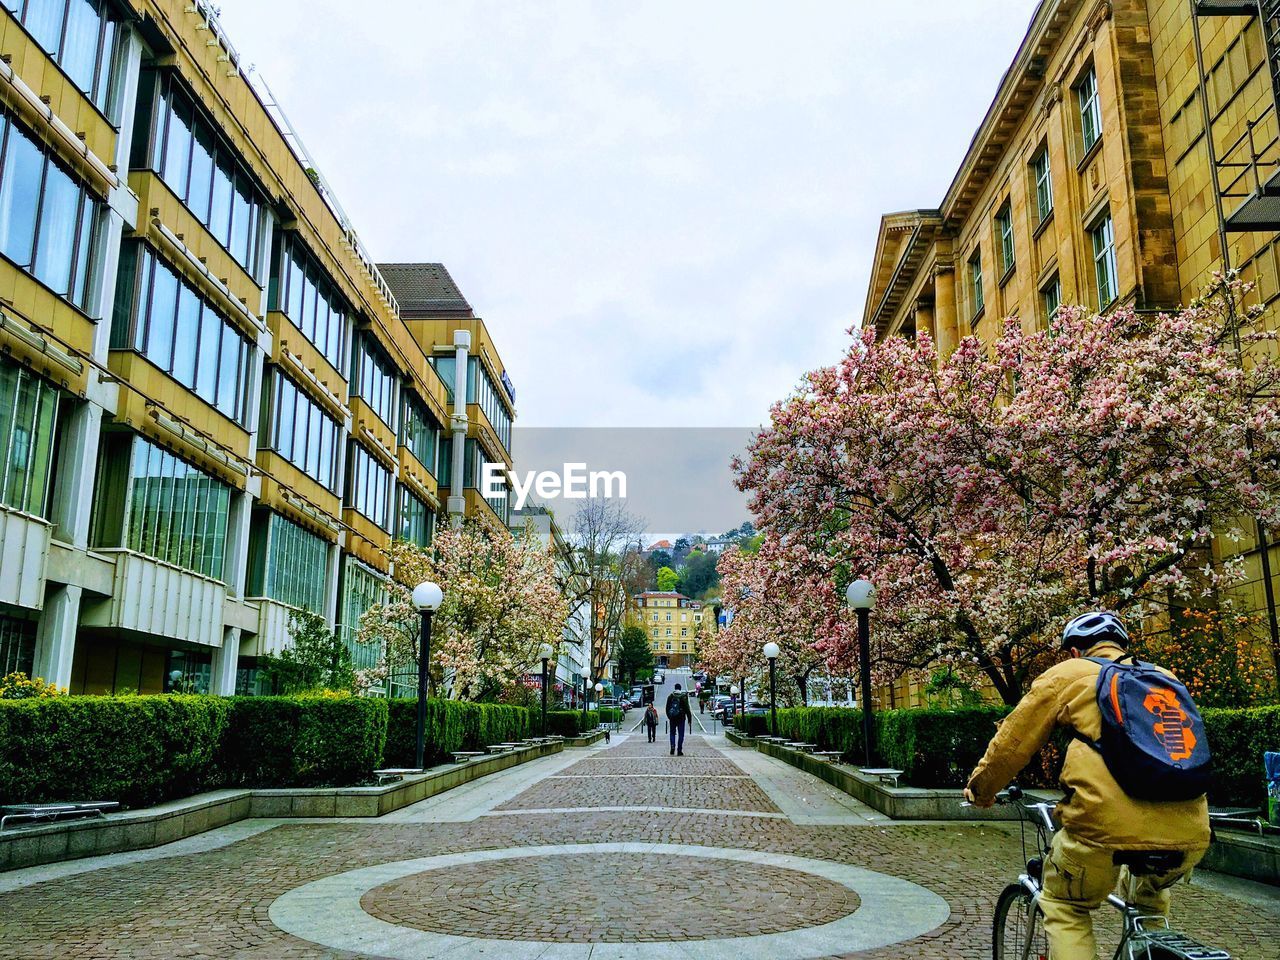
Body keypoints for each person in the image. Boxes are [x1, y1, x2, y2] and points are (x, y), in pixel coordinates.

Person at [964, 611, 1210, 960]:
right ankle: (1150, 941)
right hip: (1190, 829)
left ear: (1076, 652)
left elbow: (1012, 743)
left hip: (1103, 827)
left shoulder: (1069, 674)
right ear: (1123, 645)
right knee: (1148, 901)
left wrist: (981, 790)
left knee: (1065, 903)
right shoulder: (1162, 677)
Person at [665, 682, 693, 755]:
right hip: (681, 718)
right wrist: (689, 719)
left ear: (675, 688)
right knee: (681, 734)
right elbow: (687, 709)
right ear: (680, 688)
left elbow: (667, 708)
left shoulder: (670, 696)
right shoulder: (683, 696)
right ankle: (679, 750)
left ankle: (672, 746)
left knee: (672, 733)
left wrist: (669, 716)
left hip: (673, 718)